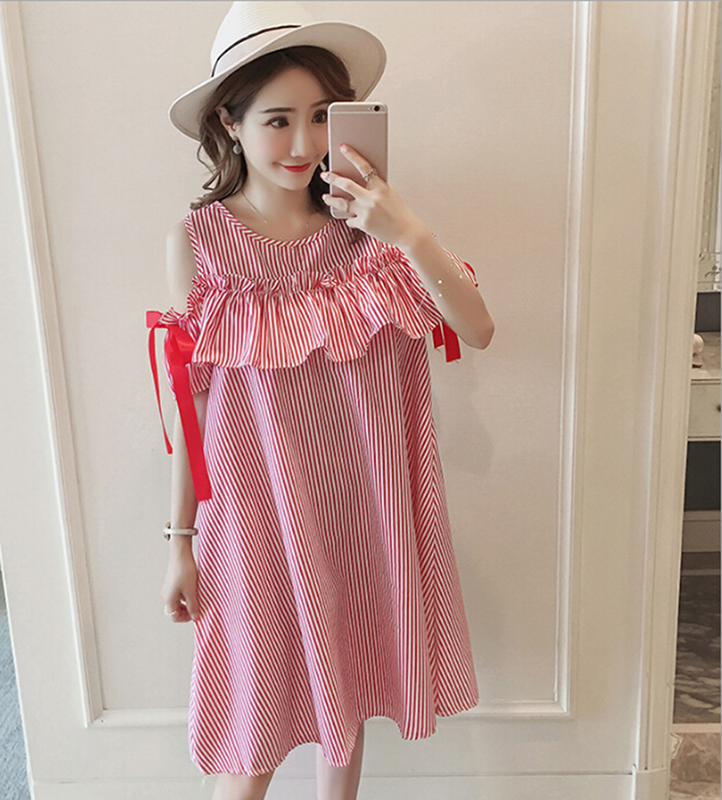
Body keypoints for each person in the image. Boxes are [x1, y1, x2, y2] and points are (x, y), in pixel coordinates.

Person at [147, 3, 494, 798]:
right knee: (255, 727)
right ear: (230, 124)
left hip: (366, 508)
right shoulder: (198, 244)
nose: (304, 144)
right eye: (278, 120)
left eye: (320, 117)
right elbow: (189, 403)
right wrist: (179, 542)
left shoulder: (372, 236)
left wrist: (407, 231)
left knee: (353, 690)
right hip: (255, 518)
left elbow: (477, 329)